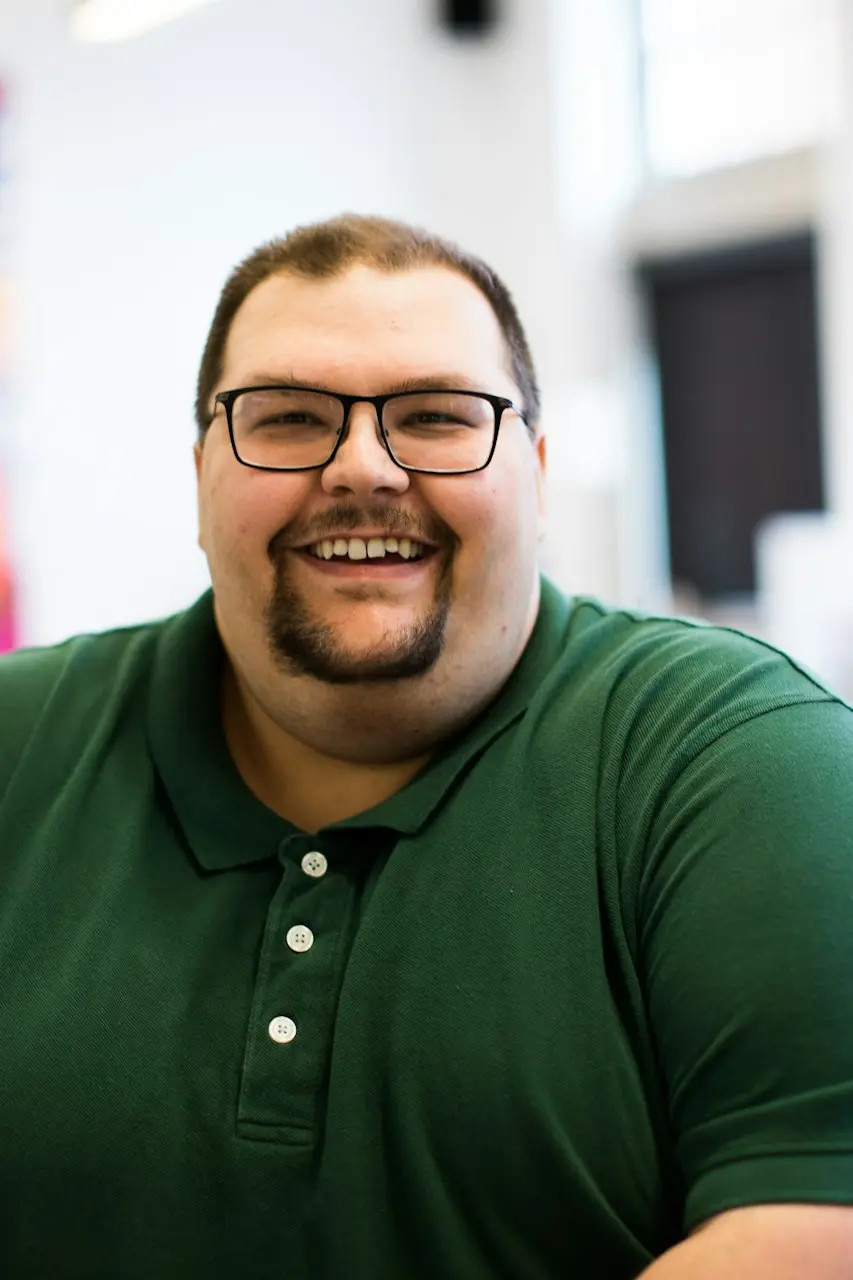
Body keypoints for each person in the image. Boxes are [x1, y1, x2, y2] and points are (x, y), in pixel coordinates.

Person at [1, 214, 853, 1280]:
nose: (363, 467)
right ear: (203, 476)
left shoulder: (736, 762)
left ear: (535, 476)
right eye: (289, 416)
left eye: (438, 416)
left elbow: (813, 1230)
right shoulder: (17, 746)